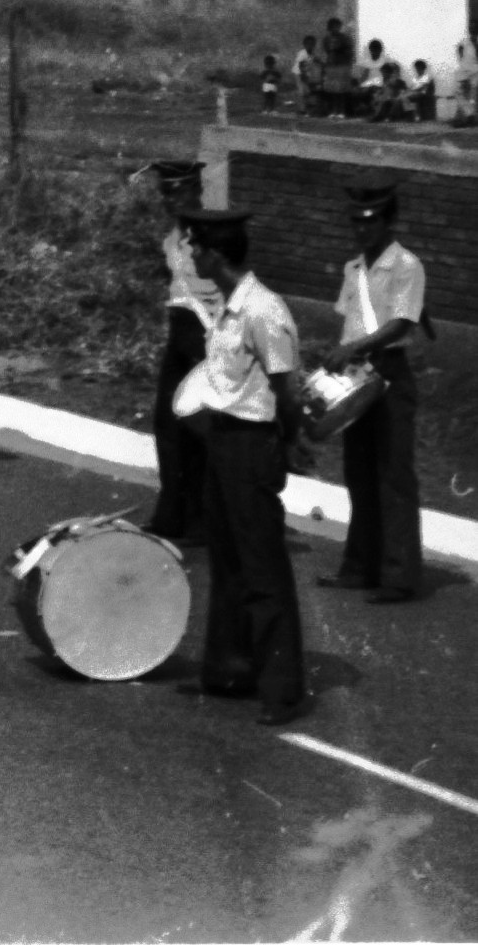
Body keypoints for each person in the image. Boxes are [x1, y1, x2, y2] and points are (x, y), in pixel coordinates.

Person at [173, 207, 307, 722]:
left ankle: (283, 690)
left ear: (217, 253)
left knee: (261, 567)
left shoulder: (262, 310)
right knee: (228, 561)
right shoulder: (228, 307)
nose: (191, 253)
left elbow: (286, 390)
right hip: (224, 442)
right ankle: (230, 670)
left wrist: (288, 444)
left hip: (252, 445)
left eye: (196, 246)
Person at [322, 182, 424, 604]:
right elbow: (349, 323)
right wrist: (340, 359)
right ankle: (360, 568)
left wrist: (355, 349)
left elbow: (402, 324)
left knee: (393, 475)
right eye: (356, 222)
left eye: (371, 221)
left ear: (388, 221)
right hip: (357, 374)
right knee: (358, 472)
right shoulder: (353, 269)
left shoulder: (406, 265)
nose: (362, 229)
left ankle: (399, 577)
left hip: (390, 372)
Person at [144, 161, 216, 540]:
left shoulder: (212, 234)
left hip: (208, 337)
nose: (170, 200)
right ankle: (172, 515)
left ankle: (203, 519)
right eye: (165, 193)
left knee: (201, 429)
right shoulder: (172, 238)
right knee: (168, 424)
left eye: (177, 192)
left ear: (196, 190)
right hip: (180, 332)